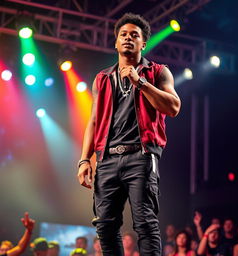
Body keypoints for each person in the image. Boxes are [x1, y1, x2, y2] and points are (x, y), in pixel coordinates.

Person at [77, 12, 181, 256]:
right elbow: (93, 121)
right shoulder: (102, 79)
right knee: (104, 226)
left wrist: (140, 83)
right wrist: (84, 159)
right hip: (107, 160)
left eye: (134, 35)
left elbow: (173, 107)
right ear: (115, 42)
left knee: (145, 223)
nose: (127, 38)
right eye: (123, 35)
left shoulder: (158, 72)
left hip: (141, 157)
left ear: (143, 43)